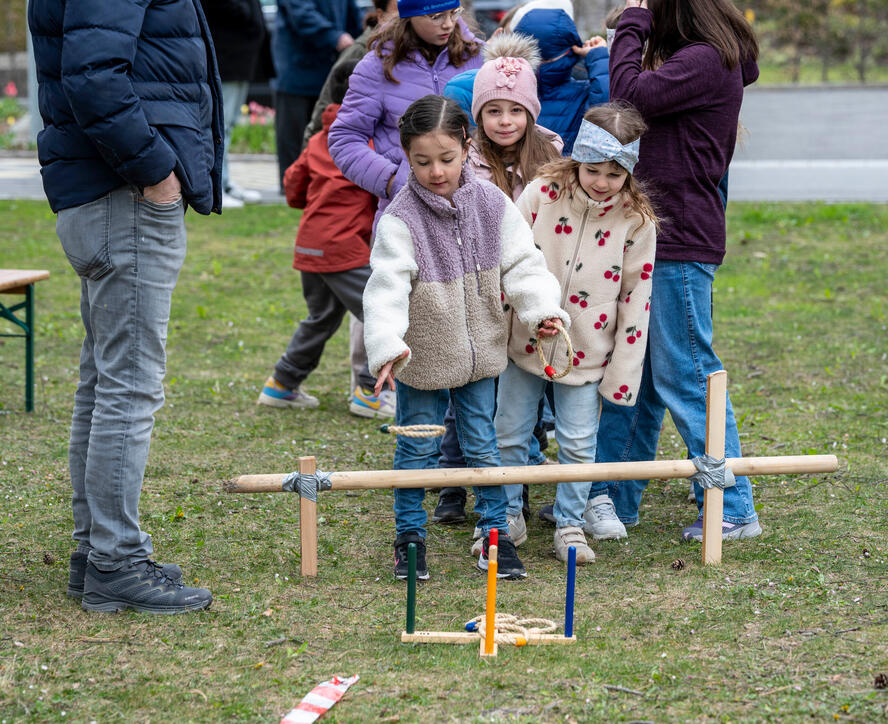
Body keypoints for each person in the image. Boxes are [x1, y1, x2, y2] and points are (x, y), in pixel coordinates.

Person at [28, 0, 221, 613]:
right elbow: (95, 76)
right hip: (124, 195)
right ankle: (115, 559)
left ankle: (97, 552)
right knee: (128, 388)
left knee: (104, 381)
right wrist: (156, 170)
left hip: (104, 193)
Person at [362, 95, 569, 581]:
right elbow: (386, 287)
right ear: (406, 157)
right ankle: (409, 538)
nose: (436, 171)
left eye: (447, 159)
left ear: (466, 147)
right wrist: (388, 345)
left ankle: (493, 536)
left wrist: (540, 310)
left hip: (481, 359)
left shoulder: (493, 204)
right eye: (423, 161)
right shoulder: (400, 219)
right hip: (424, 358)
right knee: (416, 449)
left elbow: (524, 263)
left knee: (484, 447)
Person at [601, 0, 762, 542]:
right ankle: (614, 501)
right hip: (658, 236)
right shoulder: (706, 57)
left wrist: (631, 22)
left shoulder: (706, 59)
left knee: (688, 371)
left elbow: (631, 98)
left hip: (679, 240)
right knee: (638, 378)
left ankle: (733, 506)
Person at [497, 102, 657, 563]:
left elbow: (636, 299)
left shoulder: (636, 221)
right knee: (509, 430)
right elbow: (508, 255)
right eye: (593, 170)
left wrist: (623, 376)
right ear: (577, 161)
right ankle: (507, 514)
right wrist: (525, 311)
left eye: (614, 173)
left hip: (589, 351)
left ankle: (570, 523)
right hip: (525, 339)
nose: (602, 182)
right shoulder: (541, 193)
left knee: (579, 442)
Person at [436, 33, 564, 547]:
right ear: (478, 116)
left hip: (534, 290)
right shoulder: (468, 160)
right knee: (473, 393)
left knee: (526, 398)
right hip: (485, 292)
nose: (505, 121)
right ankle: (459, 484)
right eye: (493, 111)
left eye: (515, 110)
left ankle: (518, 490)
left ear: (531, 112)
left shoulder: (552, 151)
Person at [257, 59, 392, 418]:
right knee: (385, 312)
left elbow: (292, 188)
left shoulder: (319, 138)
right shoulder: (368, 143)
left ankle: (282, 384)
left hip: (309, 245)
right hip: (342, 247)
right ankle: (370, 393)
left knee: (321, 317)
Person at [328, 0, 484, 235]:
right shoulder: (377, 65)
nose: (448, 24)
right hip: (406, 218)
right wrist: (393, 180)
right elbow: (344, 139)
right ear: (409, 15)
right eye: (436, 17)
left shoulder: (479, 56)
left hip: (475, 212)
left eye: (454, 13)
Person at [272, 0, 363, 188]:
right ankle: (291, 187)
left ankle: (320, 183)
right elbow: (301, 14)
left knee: (325, 133)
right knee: (294, 134)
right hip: (297, 70)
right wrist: (335, 37)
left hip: (330, 69)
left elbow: (353, 14)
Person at [200, 0, 272, 208]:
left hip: (241, 60)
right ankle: (216, 187)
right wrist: (248, 14)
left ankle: (225, 182)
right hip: (225, 59)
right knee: (221, 126)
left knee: (228, 124)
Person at [511, 7, 610, 154]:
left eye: (544, 58)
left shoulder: (585, 93)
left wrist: (598, 58)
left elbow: (605, 113)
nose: (537, 64)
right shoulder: (507, 88)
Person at [302, 0, 399, 149]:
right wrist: (310, 158)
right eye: (399, 10)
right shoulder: (362, 52)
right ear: (381, 15)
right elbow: (325, 110)